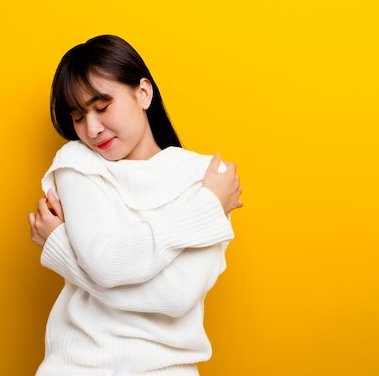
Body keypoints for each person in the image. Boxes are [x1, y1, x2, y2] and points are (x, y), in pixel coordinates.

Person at [27, 34, 243, 376]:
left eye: (102, 107)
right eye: (78, 117)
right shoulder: (78, 162)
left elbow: (175, 297)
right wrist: (205, 208)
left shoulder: (203, 177)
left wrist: (63, 251)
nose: (92, 129)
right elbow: (106, 264)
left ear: (143, 93)